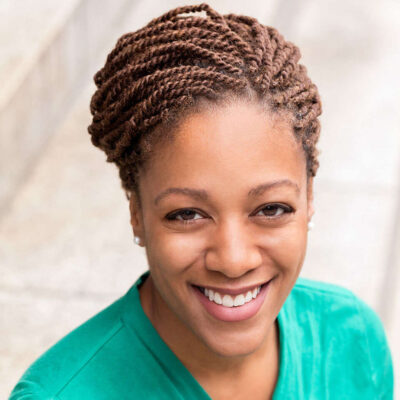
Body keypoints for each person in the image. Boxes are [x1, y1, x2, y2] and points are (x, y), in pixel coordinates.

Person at [9, 3, 394, 399]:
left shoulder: (352, 342)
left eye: (271, 209)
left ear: (309, 196)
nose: (233, 260)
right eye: (187, 214)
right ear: (136, 212)